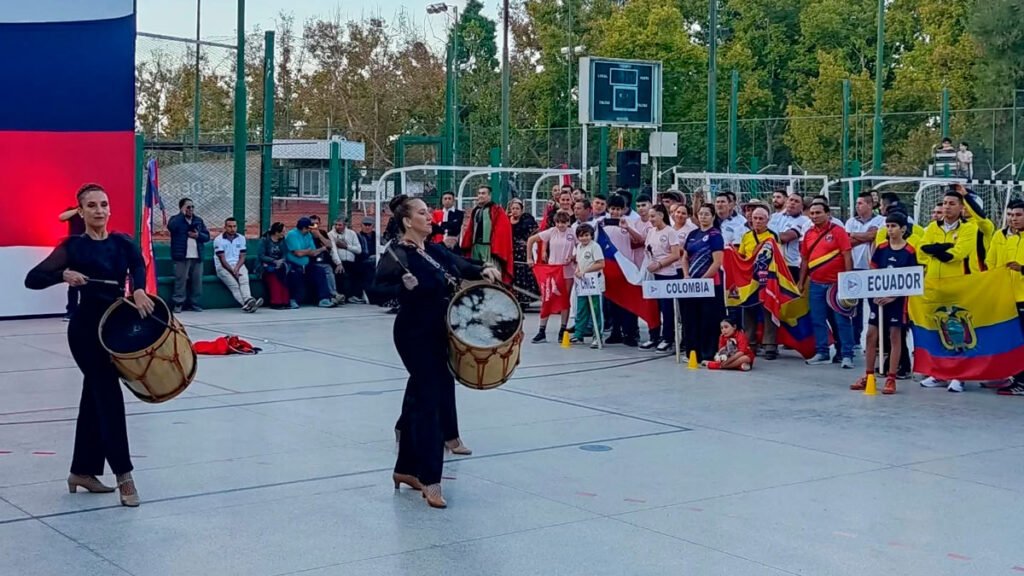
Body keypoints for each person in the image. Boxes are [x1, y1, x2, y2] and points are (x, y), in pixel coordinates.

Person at [24, 183, 154, 507]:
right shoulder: (72, 247)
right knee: (108, 394)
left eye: (104, 204)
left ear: (110, 209)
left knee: (93, 397)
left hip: (115, 329)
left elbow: (138, 265)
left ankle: (81, 471)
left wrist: (138, 290)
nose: (99, 210)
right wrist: (63, 274)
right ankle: (124, 475)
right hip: (84, 332)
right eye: (92, 205)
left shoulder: (122, 243)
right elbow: (33, 278)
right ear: (80, 212)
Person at [375, 194, 502, 509]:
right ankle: (431, 479)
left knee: (424, 392)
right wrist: (401, 287)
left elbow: (461, 266)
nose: (429, 216)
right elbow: (374, 291)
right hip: (412, 333)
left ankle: (404, 469)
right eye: (422, 213)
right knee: (431, 399)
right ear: (407, 221)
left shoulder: (435, 250)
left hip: (440, 330)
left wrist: (484, 270)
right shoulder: (396, 254)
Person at [917, 189, 982, 393]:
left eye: (952, 203)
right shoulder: (931, 228)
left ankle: (959, 375)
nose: (947, 207)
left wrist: (937, 249)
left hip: (956, 284)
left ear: (961, 207)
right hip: (932, 285)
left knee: (958, 331)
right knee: (936, 330)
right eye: (945, 203)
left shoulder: (969, 229)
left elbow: (958, 253)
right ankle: (939, 373)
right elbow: (921, 250)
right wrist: (941, 247)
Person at [851, 212, 916, 395]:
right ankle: (868, 375)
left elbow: (911, 280)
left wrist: (894, 296)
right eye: (888, 226)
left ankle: (891, 377)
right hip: (877, 300)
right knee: (871, 335)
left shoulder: (909, 251)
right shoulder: (881, 249)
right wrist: (876, 294)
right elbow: (873, 273)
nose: (890, 229)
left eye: (894, 226)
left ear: (903, 229)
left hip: (897, 302)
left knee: (895, 336)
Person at [799, 200, 855, 368]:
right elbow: (804, 261)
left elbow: (847, 256)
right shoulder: (808, 234)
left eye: (818, 213)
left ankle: (847, 355)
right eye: (812, 213)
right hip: (816, 283)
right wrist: (801, 282)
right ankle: (822, 352)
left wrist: (847, 281)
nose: (814, 216)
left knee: (842, 320)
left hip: (837, 284)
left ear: (828, 214)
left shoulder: (838, 231)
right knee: (817, 319)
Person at [986, 199, 1024, 395]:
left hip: (1022, 297)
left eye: (1018, 215)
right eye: (1010, 215)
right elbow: (990, 262)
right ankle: (1010, 375)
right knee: (1008, 340)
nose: (1013, 219)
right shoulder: (999, 236)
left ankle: (1021, 382)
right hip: (1003, 296)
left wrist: (1022, 268)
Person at [681, 205, 726, 362]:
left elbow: (717, 262)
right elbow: (685, 257)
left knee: (708, 320)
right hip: (692, 285)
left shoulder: (715, 235)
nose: (703, 217)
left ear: (713, 216)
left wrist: (703, 279)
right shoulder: (693, 234)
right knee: (691, 318)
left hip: (710, 285)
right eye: (701, 214)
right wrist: (686, 275)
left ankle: (708, 353)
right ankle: (692, 352)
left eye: (707, 214)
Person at [737, 206, 780, 359]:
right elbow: (741, 257)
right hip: (749, 281)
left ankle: (770, 345)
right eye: (755, 218)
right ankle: (750, 344)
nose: (757, 221)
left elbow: (778, 258)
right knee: (748, 311)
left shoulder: (772, 236)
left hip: (767, 279)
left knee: (769, 311)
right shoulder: (746, 236)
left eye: (761, 218)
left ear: (767, 220)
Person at [527, 210, 576, 343]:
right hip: (553, 270)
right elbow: (531, 240)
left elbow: (582, 247)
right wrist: (530, 258)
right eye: (558, 222)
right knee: (547, 299)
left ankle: (563, 329)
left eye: (564, 222)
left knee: (565, 300)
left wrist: (573, 257)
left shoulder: (573, 233)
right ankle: (542, 330)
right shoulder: (551, 232)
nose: (561, 225)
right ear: (555, 223)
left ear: (568, 222)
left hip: (567, 271)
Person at [845, 192, 885, 349]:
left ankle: (877, 341)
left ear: (870, 205)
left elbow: (876, 236)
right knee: (854, 307)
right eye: (856, 203)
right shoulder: (850, 221)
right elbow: (847, 241)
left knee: (875, 306)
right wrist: (867, 236)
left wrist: (857, 235)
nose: (857, 206)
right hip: (854, 268)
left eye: (861, 203)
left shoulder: (881, 220)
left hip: (872, 269)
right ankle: (855, 340)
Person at [641, 204, 682, 352]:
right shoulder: (651, 232)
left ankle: (668, 338)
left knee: (667, 308)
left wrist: (659, 264)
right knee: (653, 306)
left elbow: (676, 254)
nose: (650, 220)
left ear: (661, 215)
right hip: (653, 274)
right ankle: (654, 335)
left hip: (668, 274)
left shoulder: (670, 232)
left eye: (653, 216)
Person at [460, 185, 514, 283]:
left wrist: (496, 248)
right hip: (475, 248)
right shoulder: (475, 211)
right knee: (476, 274)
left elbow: (503, 231)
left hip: (489, 249)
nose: (480, 196)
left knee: (492, 275)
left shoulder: (496, 210)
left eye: (483, 193)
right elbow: (470, 230)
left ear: (489, 196)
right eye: (479, 193)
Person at [166, 198, 209, 313]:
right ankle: (178, 303)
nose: (191, 209)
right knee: (181, 280)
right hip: (182, 256)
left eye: (192, 207)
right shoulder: (176, 220)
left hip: (197, 256)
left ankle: (195, 303)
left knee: (197, 281)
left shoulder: (198, 220)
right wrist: (181, 215)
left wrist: (197, 235)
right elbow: (171, 227)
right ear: (182, 208)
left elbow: (207, 236)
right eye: (188, 207)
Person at [212, 217, 262, 312]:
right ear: (225, 227)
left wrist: (237, 268)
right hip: (222, 267)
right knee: (234, 285)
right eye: (230, 226)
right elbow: (222, 259)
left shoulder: (241, 238)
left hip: (238, 264)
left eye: (234, 226)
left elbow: (242, 256)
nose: (232, 229)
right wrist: (232, 271)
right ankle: (247, 304)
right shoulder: (218, 240)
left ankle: (248, 300)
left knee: (244, 280)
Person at [285, 217, 334, 309]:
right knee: (295, 273)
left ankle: (324, 299)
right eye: (309, 228)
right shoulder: (292, 235)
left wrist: (307, 251)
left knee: (319, 271)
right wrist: (309, 251)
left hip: (307, 264)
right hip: (293, 264)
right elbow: (298, 253)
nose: (311, 230)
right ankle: (292, 300)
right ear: (304, 228)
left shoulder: (308, 235)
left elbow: (314, 252)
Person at [571, 223, 605, 348]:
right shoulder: (579, 247)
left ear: (591, 235)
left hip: (594, 283)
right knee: (581, 309)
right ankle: (578, 334)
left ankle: (597, 336)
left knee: (595, 310)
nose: (584, 238)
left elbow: (601, 264)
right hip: (582, 283)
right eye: (581, 236)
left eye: (586, 235)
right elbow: (580, 263)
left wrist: (585, 272)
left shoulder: (595, 247)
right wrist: (578, 271)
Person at [508, 198, 540, 307]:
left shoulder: (526, 220)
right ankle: (513, 297)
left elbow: (535, 232)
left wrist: (527, 242)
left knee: (524, 274)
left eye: (517, 208)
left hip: (523, 251)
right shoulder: (507, 220)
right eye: (513, 208)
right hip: (511, 251)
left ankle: (525, 299)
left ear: (521, 210)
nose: (515, 211)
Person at [58, 204, 86, 321]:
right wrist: (77, 210)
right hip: (74, 248)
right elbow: (61, 217)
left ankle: (85, 310)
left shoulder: (91, 211)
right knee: (73, 282)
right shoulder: (72, 210)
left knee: (88, 281)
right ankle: (71, 311)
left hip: (88, 247)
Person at [328, 217, 366, 303]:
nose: (338, 227)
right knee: (341, 272)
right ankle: (343, 296)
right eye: (336, 225)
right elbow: (333, 250)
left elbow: (358, 250)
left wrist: (346, 246)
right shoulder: (331, 234)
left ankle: (354, 295)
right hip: (339, 261)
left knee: (360, 270)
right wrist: (338, 263)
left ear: (345, 225)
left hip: (351, 260)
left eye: (340, 225)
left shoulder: (351, 233)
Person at [258, 222, 290, 309]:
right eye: (283, 232)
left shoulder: (282, 241)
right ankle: (276, 301)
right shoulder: (264, 240)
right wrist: (274, 261)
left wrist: (281, 261)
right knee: (274, 277)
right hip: (266, 265)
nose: (284, 234)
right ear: (276, 232)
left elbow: (285, 253)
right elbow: (261, 256)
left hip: (279, 264)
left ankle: (285, 301)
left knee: (284, 275)